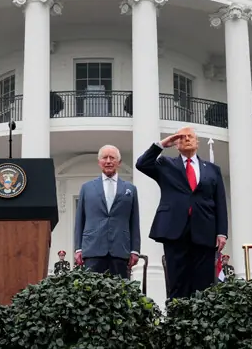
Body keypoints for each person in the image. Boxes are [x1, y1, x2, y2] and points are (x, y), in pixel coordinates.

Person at [135, 126, 228, 299]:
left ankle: (200, 322)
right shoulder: (166, 164)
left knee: (204, 285)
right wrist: (162, 144)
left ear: (197, 142)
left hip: (205, 231)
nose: (186, 139)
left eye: (190, 136)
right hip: (175, 231)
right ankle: (176, 322)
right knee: (178, 282)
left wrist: (222, 232)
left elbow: (220, 202)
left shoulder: (212, 169)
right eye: (181, 137)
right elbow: (142, 164)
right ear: (176, 144)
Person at [74, 144, 140, 279]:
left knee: (121, 292)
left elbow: (134, 220)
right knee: (92, 293)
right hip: (93, 249)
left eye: (112, 158)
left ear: (119, 162)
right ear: (99, 162)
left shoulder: (130, 189)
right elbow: (80, 219)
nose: (108, 161)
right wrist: (78, 248)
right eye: (105, 158)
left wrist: (135, 249)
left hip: (120, 249)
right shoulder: (87, 188)